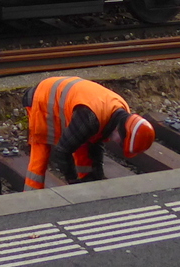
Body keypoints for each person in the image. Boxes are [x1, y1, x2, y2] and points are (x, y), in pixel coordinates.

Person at [23, 76, 155, 189]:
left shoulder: (120, 109)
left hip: (68, 100)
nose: (116, 142)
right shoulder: (90, 117)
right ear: (121, 131)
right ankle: (30, 197)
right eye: (120, 142)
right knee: (41, 153)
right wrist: (72, 181)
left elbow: (96, 141)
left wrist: (97, 177)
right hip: (43, 100)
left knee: (82, 143)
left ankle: (88, 184)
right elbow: (62, 151)